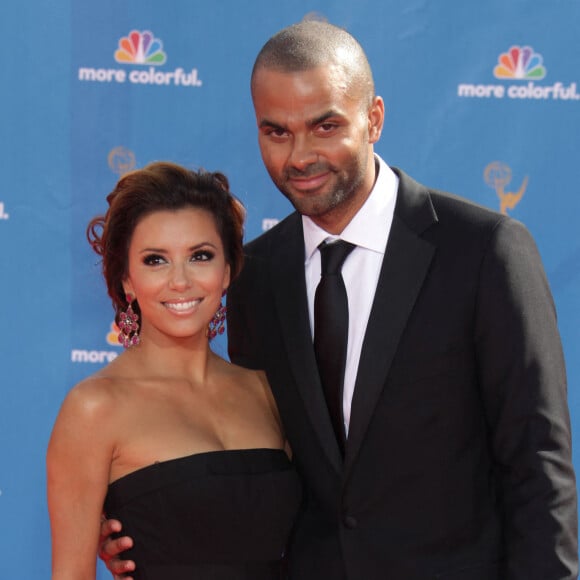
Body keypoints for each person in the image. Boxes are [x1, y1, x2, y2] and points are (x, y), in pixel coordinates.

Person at [100, 20, 578, 580]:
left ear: (373, 118)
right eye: (276, 132)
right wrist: (158, 531)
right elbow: (264, 465)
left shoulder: (484, 251)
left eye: (325, 126)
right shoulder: (256, 276)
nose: (300, 156)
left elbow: (537, 467)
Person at [46, 161, 302, 580]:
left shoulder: (264, 391)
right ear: (127, 280)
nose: (180, 281)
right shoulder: (94, 408)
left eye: (200, 256)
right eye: (155, 260)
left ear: (227, 271)